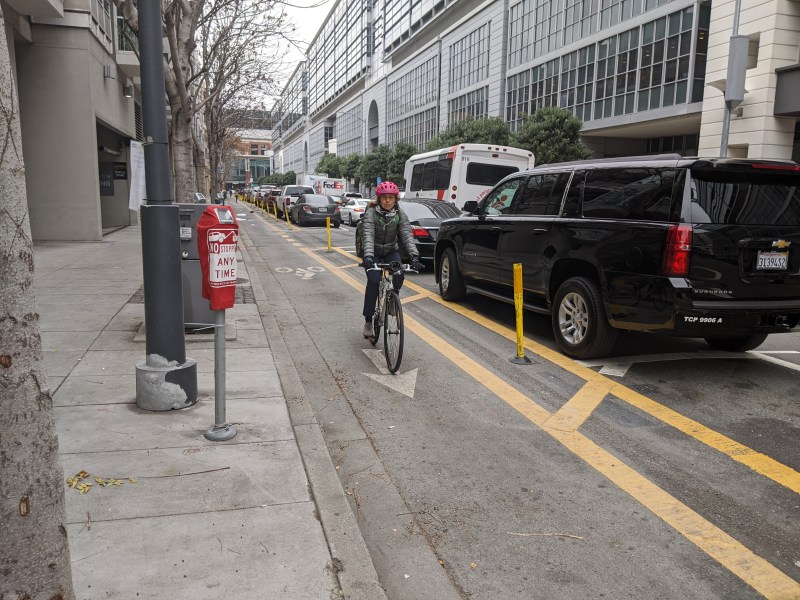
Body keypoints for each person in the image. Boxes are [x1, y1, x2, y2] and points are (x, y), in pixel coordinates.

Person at [361, 181, 421, 338]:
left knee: (399, 273)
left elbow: (407, 235)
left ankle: (393, 300)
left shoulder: (400, 214)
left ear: (396, 199)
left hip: (390, 250)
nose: (388, 201)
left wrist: (414, 255)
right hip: (372, 251)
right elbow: (368, 234)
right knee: (373, 281)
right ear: (379, 199)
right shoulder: (371, 213)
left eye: (391, 198)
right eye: (384, 198)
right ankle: (368, 321)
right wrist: (367, 256)